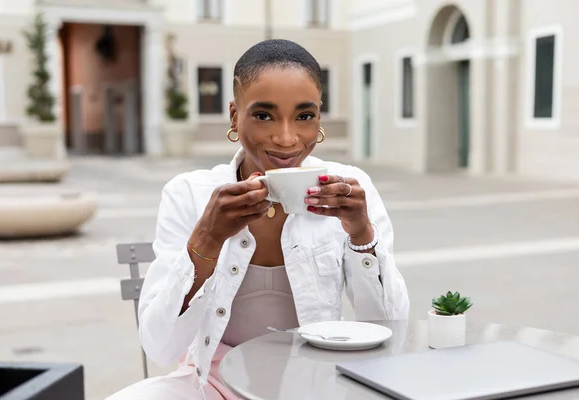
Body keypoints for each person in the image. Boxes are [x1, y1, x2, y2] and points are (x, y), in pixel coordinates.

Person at [106, 38, 409, 400]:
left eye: (304, 116)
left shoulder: (350, 190)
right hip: (214, 385)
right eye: (263, 116)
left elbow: (391, 331)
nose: (286, 138)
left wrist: (361, 234)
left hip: (317, 385)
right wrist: (207, 238)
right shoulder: (189, 194)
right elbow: (160, 348)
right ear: (235, 115)